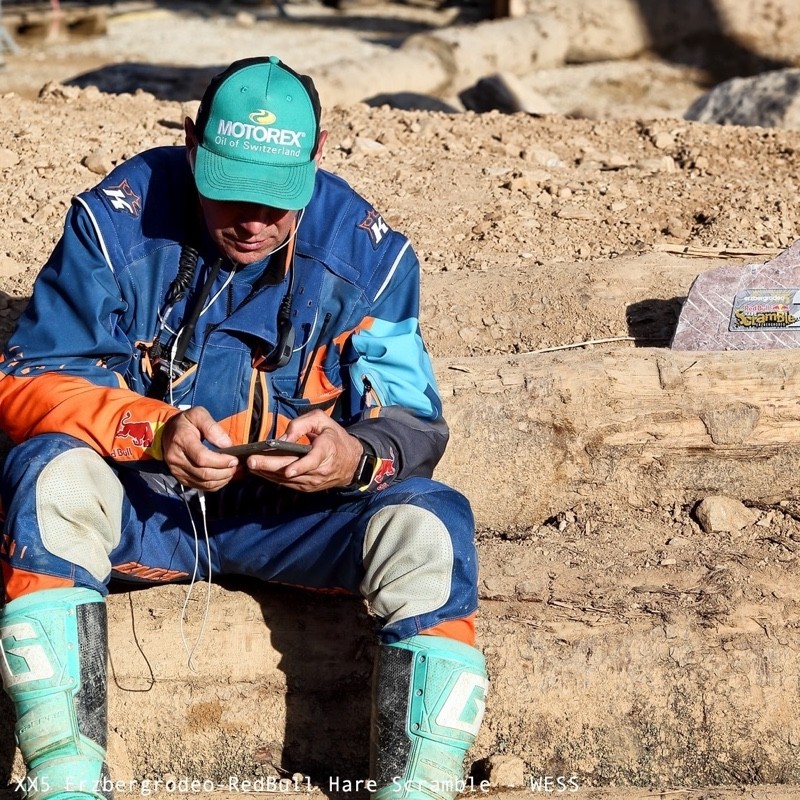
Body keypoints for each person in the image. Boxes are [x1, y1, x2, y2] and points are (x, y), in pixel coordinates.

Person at [0, 56, 487, 800]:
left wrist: (356, 454)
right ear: (192, 146)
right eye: (229, 193)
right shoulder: (113, 221)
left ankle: (417, 788)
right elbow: (27, 380)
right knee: (48, 477)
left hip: (296, 522)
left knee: (432, 525)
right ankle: (65, 780)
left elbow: (414, 421)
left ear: (315, 159)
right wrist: (151, 429)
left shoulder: (374, 259)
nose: (253, 221)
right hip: (142, 509)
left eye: (276, 198)